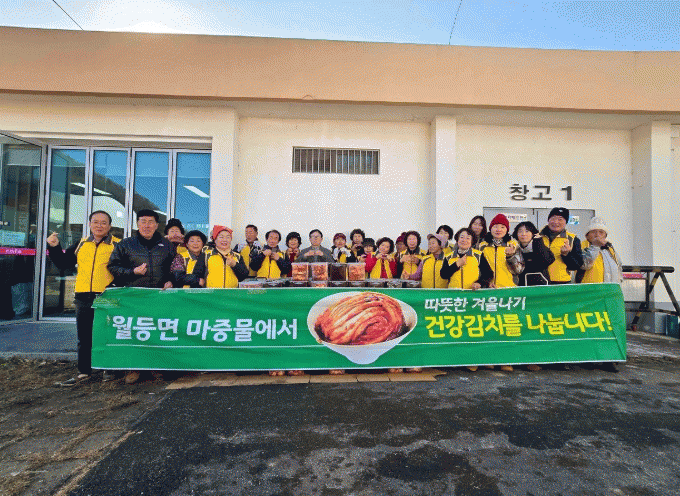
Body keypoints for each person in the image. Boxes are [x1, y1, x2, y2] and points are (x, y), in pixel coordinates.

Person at [47, 210, 119, 385]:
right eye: (95, 222)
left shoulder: (117, 244)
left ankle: (108, 369)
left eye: (103, 222)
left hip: (107, 295)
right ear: (89, 224)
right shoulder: (81, 244)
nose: (99, 225)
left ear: (109, 226)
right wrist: (54, 247)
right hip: (83, 295)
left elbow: (123, 269)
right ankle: (84, 371)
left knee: (107, 334)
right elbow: (64, 264)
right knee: (84, 337)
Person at [107, 209, 176, 384]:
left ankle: (158, 367)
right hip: (134, 296)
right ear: (137, 223)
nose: (147, 225)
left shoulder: (167, 245)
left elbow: (175, 268)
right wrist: (133, 272)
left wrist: (171, 280)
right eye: (143, 221)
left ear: (156, 225)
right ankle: (135, 368)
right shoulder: (126, 244)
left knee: (158, 332)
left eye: (150, 222)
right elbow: (113, 267)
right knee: (136, 332)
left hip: (159, 297)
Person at [540, 207, 583, 284]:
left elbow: (577, 265)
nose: (556, 222)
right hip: (539, 281)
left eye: (560, 219)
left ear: (566, 222)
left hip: (562, 282)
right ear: (548, 220)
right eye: (553, 218)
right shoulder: (537, 237)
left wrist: (566, 255)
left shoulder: (573, 239)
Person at [479, 214, 523, 289]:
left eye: (502, 227)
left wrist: (510, 257)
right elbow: (478, 268)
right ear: (490, 228)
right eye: (495, 226)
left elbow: (519, 270)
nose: (499, 230)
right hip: (487, 288)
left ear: (507, 230)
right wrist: (485, 282)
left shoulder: (513, 245)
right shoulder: (482, 246)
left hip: (509, 288)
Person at [577, 217, 622, 284]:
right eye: (593, 232)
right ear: (587, 235)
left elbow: (619, 268)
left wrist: (619, 283)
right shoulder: (580, 246)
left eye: (601, 232)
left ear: (605, 236)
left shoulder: (609, 249)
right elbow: (584, 265)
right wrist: (595, 246)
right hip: (589, 289)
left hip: (610, 289)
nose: (597, 235)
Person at [512, 221, 554, 286]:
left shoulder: (540, 245)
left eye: (527, 231)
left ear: (533, 233)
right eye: (520, 231)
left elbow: (547, 261)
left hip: (542, 285)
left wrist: (539, 242)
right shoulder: (515, 249)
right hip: (523, 285)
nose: (523, 234)